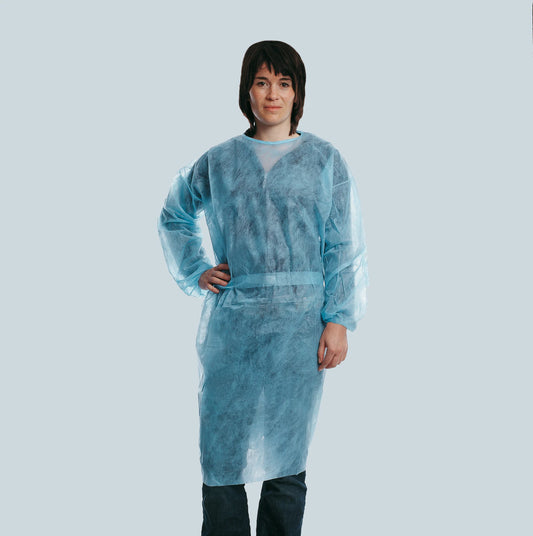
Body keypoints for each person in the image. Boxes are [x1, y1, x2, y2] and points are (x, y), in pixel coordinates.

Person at [157, 40, 369, 536]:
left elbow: (343, 244)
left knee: (286, 458)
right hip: (234, 326)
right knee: (222, 456)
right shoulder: (220, 161)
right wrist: (196, 269)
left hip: (300, 327)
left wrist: (339, 319)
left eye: (284, 83)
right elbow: (174, 214)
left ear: (298, 94)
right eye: (262, 82)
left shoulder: (324, 160)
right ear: (246, 91)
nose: (273, 94)